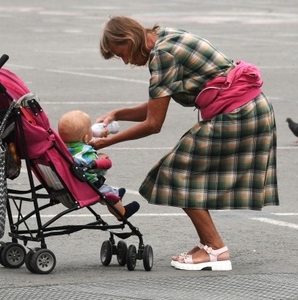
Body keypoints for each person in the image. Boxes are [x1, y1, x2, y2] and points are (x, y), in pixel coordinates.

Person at [90, 16, 279, 271]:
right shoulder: (166, 35)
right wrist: (117, 113)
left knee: (175, 172)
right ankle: (209, 246)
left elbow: (153, 123)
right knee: (181, 170)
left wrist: (105, 143)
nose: (125, 61)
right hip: (249, 109)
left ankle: (215, 249)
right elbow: (159, 103)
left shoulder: (162, 56)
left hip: (237, 114)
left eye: (120, 53)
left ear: (128, 39)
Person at [58, 109, 140, 221]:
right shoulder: (85, 153)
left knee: (109, 190)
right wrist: (102, 158)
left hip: (67, 186)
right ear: (86, 138)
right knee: (110, 196)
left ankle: (116, 193)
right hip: (88, 187)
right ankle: (122, 213)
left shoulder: (61, 149)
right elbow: (96, 168)